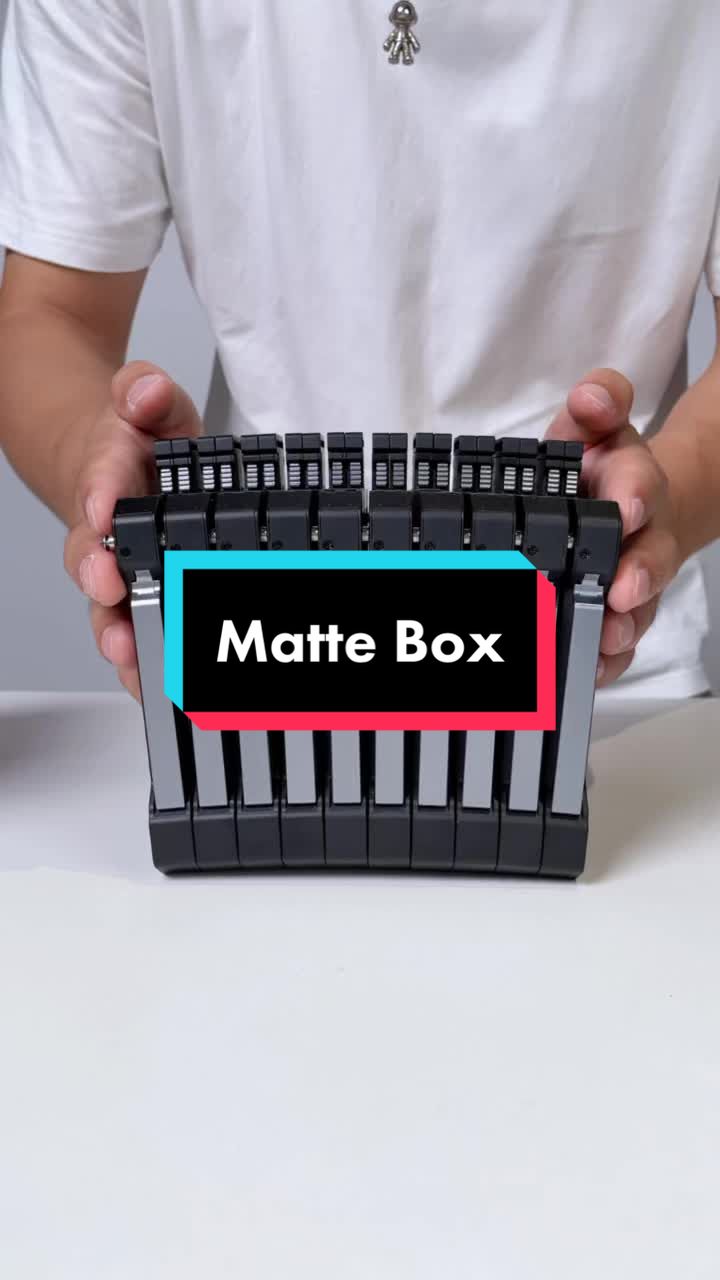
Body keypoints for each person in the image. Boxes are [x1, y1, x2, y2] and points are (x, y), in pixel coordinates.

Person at [0, 0, 719, 704]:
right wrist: (106, 482)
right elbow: (50, 313)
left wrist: (655, 513)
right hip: (261, 635)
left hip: (597, 657)